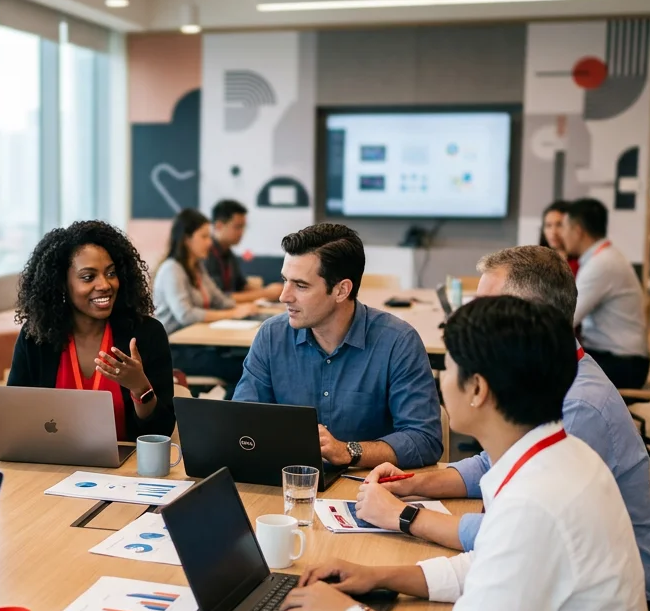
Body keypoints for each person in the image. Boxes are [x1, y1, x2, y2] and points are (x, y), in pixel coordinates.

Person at [278, 295, 650, 611]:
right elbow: (489, 563)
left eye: (449, 370)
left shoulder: (535, 500)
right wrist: (379, 576)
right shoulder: (557, 454)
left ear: (477, 389)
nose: (442, 384)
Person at [350, 245, 650, 611]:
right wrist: (413, 484)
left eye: (488, 308)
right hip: (572, 589)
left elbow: (511, 536)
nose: (474, 319)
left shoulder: (578, 406)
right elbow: (492, 471)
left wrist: (404, 517)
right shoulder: (547, 384)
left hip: (619, 610)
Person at [233, 223, 441, 469]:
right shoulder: (271, 335)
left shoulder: (398, 342)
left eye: (301, 286)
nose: (284, 296)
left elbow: (424, 439)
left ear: (342, 290)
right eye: (284, 281)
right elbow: (241, 424)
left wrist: (348, 451)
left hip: (366, 490)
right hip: (289, 485)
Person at [7, 220, 175, 439]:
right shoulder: (37, 335)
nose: (105, 285)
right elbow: (11, 415)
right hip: (53, 464)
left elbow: (161, 432)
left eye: (111, 273)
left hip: (124, 470)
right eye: (88, 277)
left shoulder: (146, 334)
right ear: (62, 284)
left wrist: (140, 388)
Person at [155, 208, 260, 385]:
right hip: (173, 351)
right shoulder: (172, 269)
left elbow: (220, 300)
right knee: (244, 367)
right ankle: (231, 411)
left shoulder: (197, 268)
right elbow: (186, 315)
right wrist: (232, 314)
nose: (209, 243)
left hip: (197, 345)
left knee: (249, 361)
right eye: (204, 237)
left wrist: (246, 308)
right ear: (187, 239)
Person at [561, 198, 650, 389]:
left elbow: (566, 318)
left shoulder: (601, 264)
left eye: (564, 228)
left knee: (545, 368)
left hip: (623, 364)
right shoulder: (605, 257)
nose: (561, 235)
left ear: (578, 231)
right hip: (620, 358)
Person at [203, 199, 281, 302]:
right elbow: (219, 298)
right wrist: (266, 293)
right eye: (237, 227)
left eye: (243, 227)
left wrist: (269, 291)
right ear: (219, 226)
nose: (242, 233)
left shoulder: (228, 253)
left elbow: (241, 287)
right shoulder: (205, 254)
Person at [535, 200, 577, 275]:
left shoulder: (579, 264)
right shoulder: (537, 262)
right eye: (548, 225)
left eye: (559, 225)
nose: (553, 232)